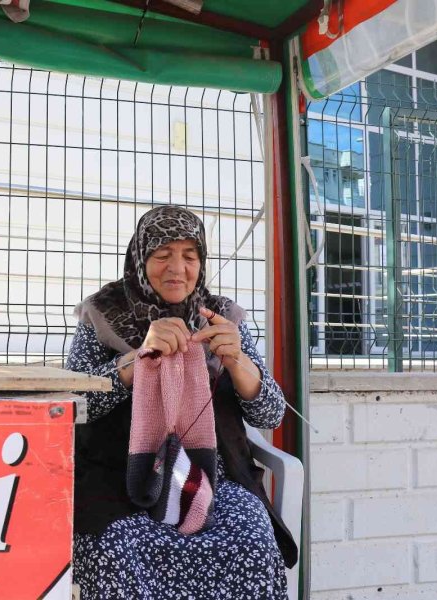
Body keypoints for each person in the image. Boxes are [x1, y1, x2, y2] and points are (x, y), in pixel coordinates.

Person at [66, 205, 297, 599]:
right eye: (162, 255)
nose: (177, 268)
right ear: (140, 258)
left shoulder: (223, 318)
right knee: (116, 548)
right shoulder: (102, 316)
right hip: (119, 479)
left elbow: (271, 414)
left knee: (251, 541)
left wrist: (237, 362)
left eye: (190, 256)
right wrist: (133, 361)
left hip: (213, 479)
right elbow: (75, 407)